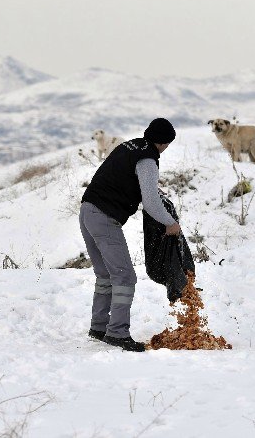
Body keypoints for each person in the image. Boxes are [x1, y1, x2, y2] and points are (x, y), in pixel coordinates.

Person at [79, 118, 181, 352]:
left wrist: (152, 190)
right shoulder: (148, 160)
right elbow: (151, 203)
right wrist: (170, 223)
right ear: (164, 142)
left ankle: (99, 327)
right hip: (104, 217)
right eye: (167, 144)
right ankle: (117, 333)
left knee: (105, 275)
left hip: (87, 210)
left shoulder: (129, 146)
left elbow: (127, 179)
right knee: (125, 277)